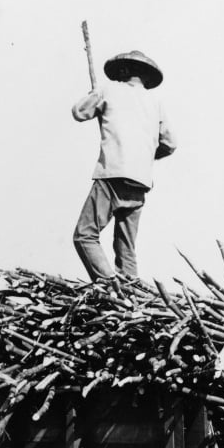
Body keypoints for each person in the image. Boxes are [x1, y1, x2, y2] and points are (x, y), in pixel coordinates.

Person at [72, 50, 176, 281]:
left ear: (126, 71)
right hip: (140, 181)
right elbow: (170, 144)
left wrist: (93, 95)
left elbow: (79, 112)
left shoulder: (108, 90)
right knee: (126, 247)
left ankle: (110, 285)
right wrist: (145, 154)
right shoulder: (155, 102)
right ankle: (132, 293)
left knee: (84, 235)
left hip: (112, 174)